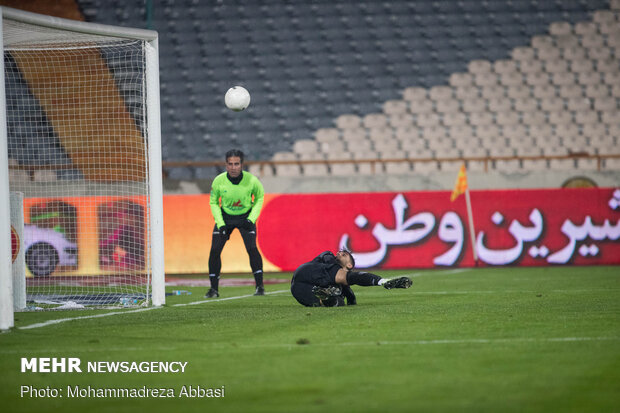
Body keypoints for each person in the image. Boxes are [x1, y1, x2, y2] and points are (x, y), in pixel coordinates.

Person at [206, 149, 265, 298]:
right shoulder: (218, 181)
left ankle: (260, 287)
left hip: (246, 217)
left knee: (252, 248)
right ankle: (214, 290)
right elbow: (213, 202)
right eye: (230, 164)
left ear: (242, 165)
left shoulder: (252, 181)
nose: (233, 167)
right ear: (226, 165)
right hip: (225, 218)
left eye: (236, 164)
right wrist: (221, 224)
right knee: (214, 251)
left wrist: (250, 219)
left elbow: (259, 199)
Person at [291, 249, 412, 307]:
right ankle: (383, 281)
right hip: (308, 271)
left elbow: (351, 299)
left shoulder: (343, 284)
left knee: (337, 302)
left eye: (344, 255)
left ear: (349, 265)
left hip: (300, 291)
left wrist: (346, 297)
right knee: (345, 280)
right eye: (338, 253)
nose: (338, 254)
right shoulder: (329, 259)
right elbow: (327, 257)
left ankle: (327, 297)